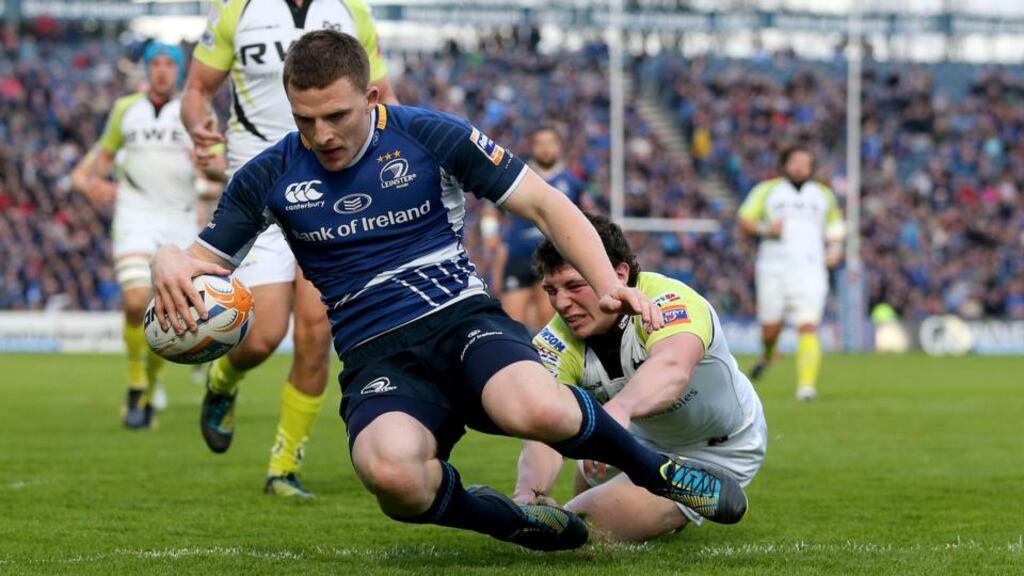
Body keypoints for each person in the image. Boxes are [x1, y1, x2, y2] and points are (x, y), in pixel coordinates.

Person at [151, 30, 747, 551]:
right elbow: (203, 261)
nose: (321, 134)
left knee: (537, 407)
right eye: (305, 119)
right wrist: (164, 261)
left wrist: (603, 283)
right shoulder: (268, 175)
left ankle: (658, 472)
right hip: (375, 354)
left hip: (462, 322)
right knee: (391, 478)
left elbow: (544, 203)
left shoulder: (428, 136)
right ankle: (514, 522)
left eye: (336, 116)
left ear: (371, 97)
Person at [182, 0, 398, 497]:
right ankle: (222, 381)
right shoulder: (234, 9)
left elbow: (383, 97)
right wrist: (200, 128)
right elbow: (196, 91)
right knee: (261, 335)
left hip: (334, 195)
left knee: (316, 333)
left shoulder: (351, 10)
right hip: (259, 190)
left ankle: (282, 467)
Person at [513, 213, 766, 542]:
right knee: (546, 518)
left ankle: (674, 506)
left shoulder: (668, 300)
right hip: (635, 437)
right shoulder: (553, 341)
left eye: (574, 285)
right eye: (551, 290)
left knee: (579, 528)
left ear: (618, 274)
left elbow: (673, 368)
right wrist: (527, 495)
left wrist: (616, 413)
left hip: (718, 447)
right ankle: (651, 506)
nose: (561, 303)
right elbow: (543, 429)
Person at [70, 42, 225, 429]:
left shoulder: (195, 112)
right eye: (154, 63)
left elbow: (220, 173)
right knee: (136, 300)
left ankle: (153, 384)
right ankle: (137, 381)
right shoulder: (126, 109)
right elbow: (99, 162)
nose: (161, 71)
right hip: (135, 217)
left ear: (179, 70)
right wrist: (91, 185)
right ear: (146, 69)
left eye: (168, 64)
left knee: (166, 312)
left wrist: (206, 167)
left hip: (179, 222)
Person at [737, 145, 844, 401]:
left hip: (811, 268)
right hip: (773, 267)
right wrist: (765, 228)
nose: (799, 166)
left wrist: (836, 248)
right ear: (785, 164)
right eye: (794, 161)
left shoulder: (823, 194)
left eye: (804, 162)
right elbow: (745, 219)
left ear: (811, 167)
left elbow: (835, 225)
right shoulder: (767, 190)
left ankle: (806, 388)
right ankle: (768, 354)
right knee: (770, 330)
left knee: (807, 325)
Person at [482, 126, 586, 331]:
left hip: (553, 260)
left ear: (558, 146)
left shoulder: (573, 183)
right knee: (512, 325)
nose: (545, 149)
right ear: (532, 147)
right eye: (540, 143)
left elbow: (588, 219)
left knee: (548, 327)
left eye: (550, 143)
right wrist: (489, 234)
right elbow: (491, 211)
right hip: (518, 257)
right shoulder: (517, 177)